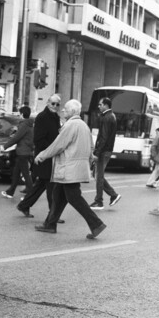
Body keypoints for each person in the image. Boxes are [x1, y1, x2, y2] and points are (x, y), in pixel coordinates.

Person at [33, 99, 107, 239]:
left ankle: (96, 224)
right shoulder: (84, 126)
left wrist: (42, 155)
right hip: (75, 167)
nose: (62, 111)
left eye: (65, 109)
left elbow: (58, 145)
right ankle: (50, 224)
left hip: (68, 168)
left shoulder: (70, 125)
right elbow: (91, 146)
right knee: (58, 196)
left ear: (72, 112)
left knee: (74, 198)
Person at [17, 94, 62, 218]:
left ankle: (24, 205)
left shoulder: (55, 117)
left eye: (58, 104)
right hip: (44, 156)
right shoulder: (42, 117)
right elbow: (38, 139)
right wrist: (52, 148)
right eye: (53, 103)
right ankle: (53, 216)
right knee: (50, 186)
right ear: (48, 103)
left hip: (50, 156)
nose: (55, 106)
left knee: (41, 185)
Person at [90, 97, 122, 210]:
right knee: (97, 175)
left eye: (100, 104)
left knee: (98, 175)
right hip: (106, 150)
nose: (99, 106)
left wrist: (97, 153)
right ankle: (113, 195)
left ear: (106, 105)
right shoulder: (110, 116)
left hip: (103, 151)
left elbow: (103, 137)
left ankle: (99, 201)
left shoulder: (106, 117)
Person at [1, 105, 34, 199]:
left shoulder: (24, 125)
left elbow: (17, 138)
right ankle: (10, 192)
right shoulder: (29, 124)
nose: (19, 116)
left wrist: (5, 146)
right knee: (16, 172)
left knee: (26, 174)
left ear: (22, 114)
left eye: (19, 114)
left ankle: (30, 195)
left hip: (23, 152)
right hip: (24, 151)